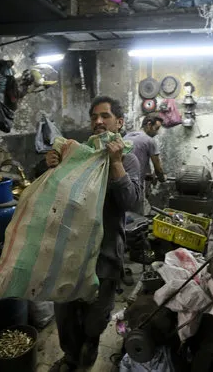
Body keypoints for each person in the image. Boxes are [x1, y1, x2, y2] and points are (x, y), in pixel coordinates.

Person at [47, 96, 141, 372]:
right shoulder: (80, 155)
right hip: (69, 252)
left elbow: (132, 202)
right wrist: (51, 166)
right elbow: (56, 196)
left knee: (95, 317)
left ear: (119, 123)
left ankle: (88, 351)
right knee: (64, 313)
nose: (98, 121)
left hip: (105, 255)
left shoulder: (129, 158)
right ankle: (70, 357)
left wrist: (115, 163)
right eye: (94, 117)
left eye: (105, 116)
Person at [123, 115, 166, 215]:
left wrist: (145, 175)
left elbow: (129, 162)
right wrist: (162, 178)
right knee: (136, 218)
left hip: (121, 183)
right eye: (156, 128)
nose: (157, 132)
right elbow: (158, 168)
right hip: (135, 186)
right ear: (149, 124)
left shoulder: (126, 137)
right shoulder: (149, 140)